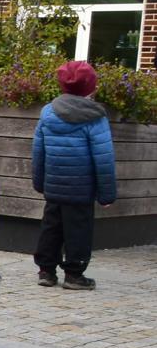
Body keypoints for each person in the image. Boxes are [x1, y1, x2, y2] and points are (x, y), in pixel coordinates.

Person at [32, 60, 116, 291]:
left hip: (54, 185)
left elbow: (38, 152)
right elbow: (104, 158)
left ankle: (46, 271)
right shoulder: (95, 117)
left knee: (51, 227)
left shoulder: (48, 112)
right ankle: (74, 274)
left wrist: (39, 183)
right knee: (78, 229)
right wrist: (107, 194)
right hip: (81, 189)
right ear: (91, 87)